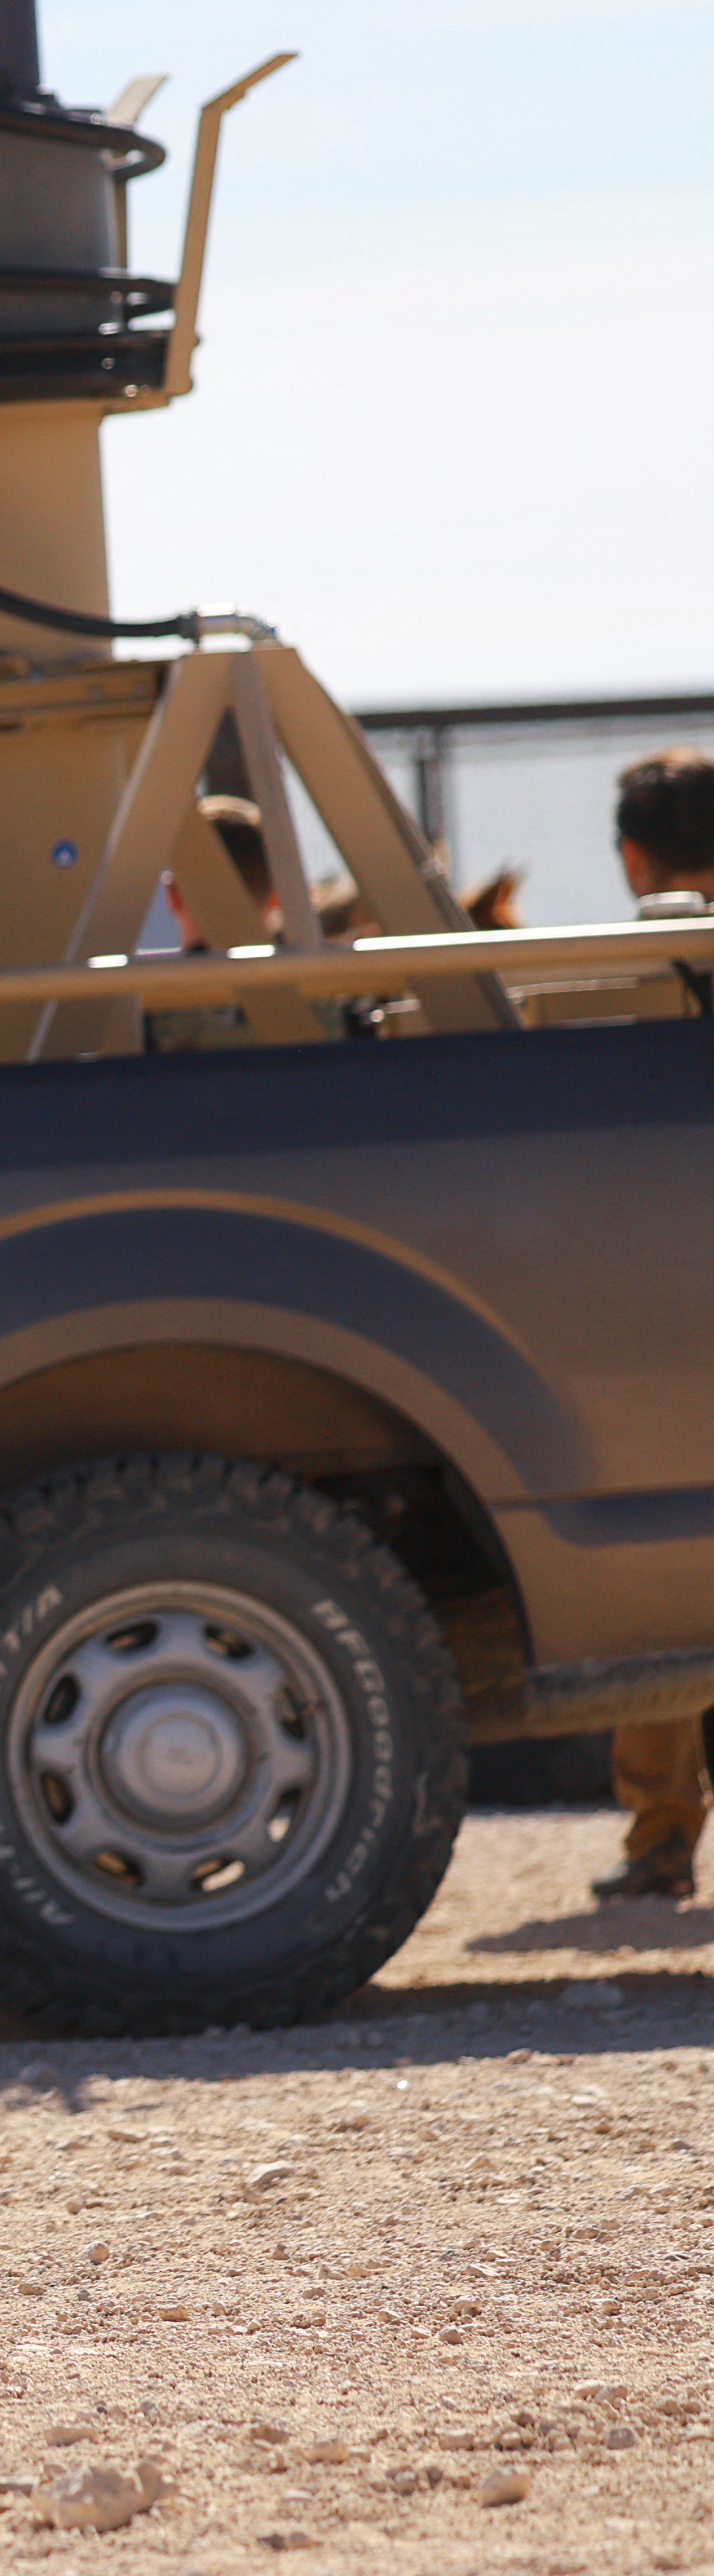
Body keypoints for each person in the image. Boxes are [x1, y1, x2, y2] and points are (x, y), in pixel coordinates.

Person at [590, 747, 714, 1901]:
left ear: (632, 852)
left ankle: (663, 1830)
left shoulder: (620, 965)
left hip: (667, 1305)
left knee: (673, 1579)